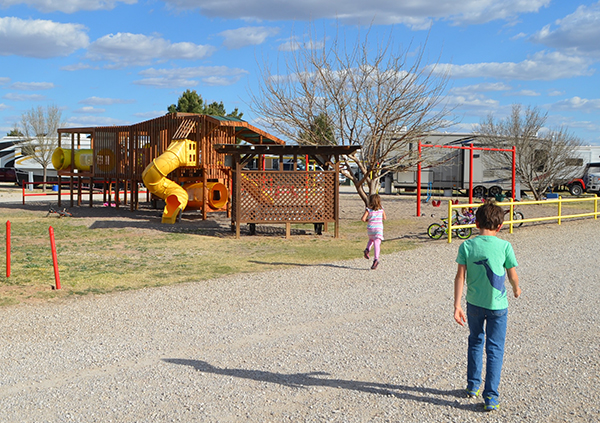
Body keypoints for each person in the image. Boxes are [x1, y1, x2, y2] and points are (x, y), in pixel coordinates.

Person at [453, 199, 521, 411]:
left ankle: (472, 385)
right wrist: (516, 288)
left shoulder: (467, 245)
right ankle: (491, 395)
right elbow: (512, 274)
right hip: (498, 306)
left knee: (475, 341)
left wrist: (457, 305)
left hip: (474, 304)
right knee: (495, 348)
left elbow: (460, 277)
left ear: (476, 223)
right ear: (500, 226)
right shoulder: (505, 246)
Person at [361, 194, 386, 270]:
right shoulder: (381, 209)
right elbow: (384, 218)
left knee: (371, 239)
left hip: (370, 228)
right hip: (378, 229)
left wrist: (368, 220)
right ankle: (376, 259)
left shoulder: (368, 209)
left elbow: (363, 219)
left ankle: (367, 249)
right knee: (377, 243)